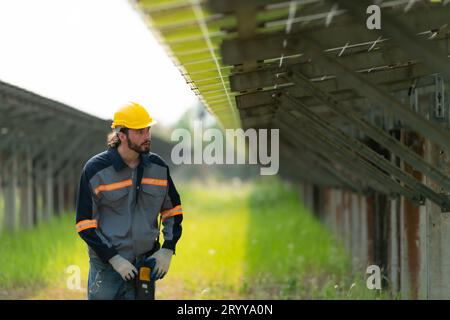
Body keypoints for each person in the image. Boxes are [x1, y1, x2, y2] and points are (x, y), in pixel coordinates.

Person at [75, 102, 183, 300]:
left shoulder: (158, 168)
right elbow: (84, 224)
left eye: (148, 129)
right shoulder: (95, 171)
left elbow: (173, 211)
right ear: (121, 135)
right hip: (106, 270)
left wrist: (168, 248)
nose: (147, 136)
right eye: (140, 131)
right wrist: (114, 259)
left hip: (144, 267)